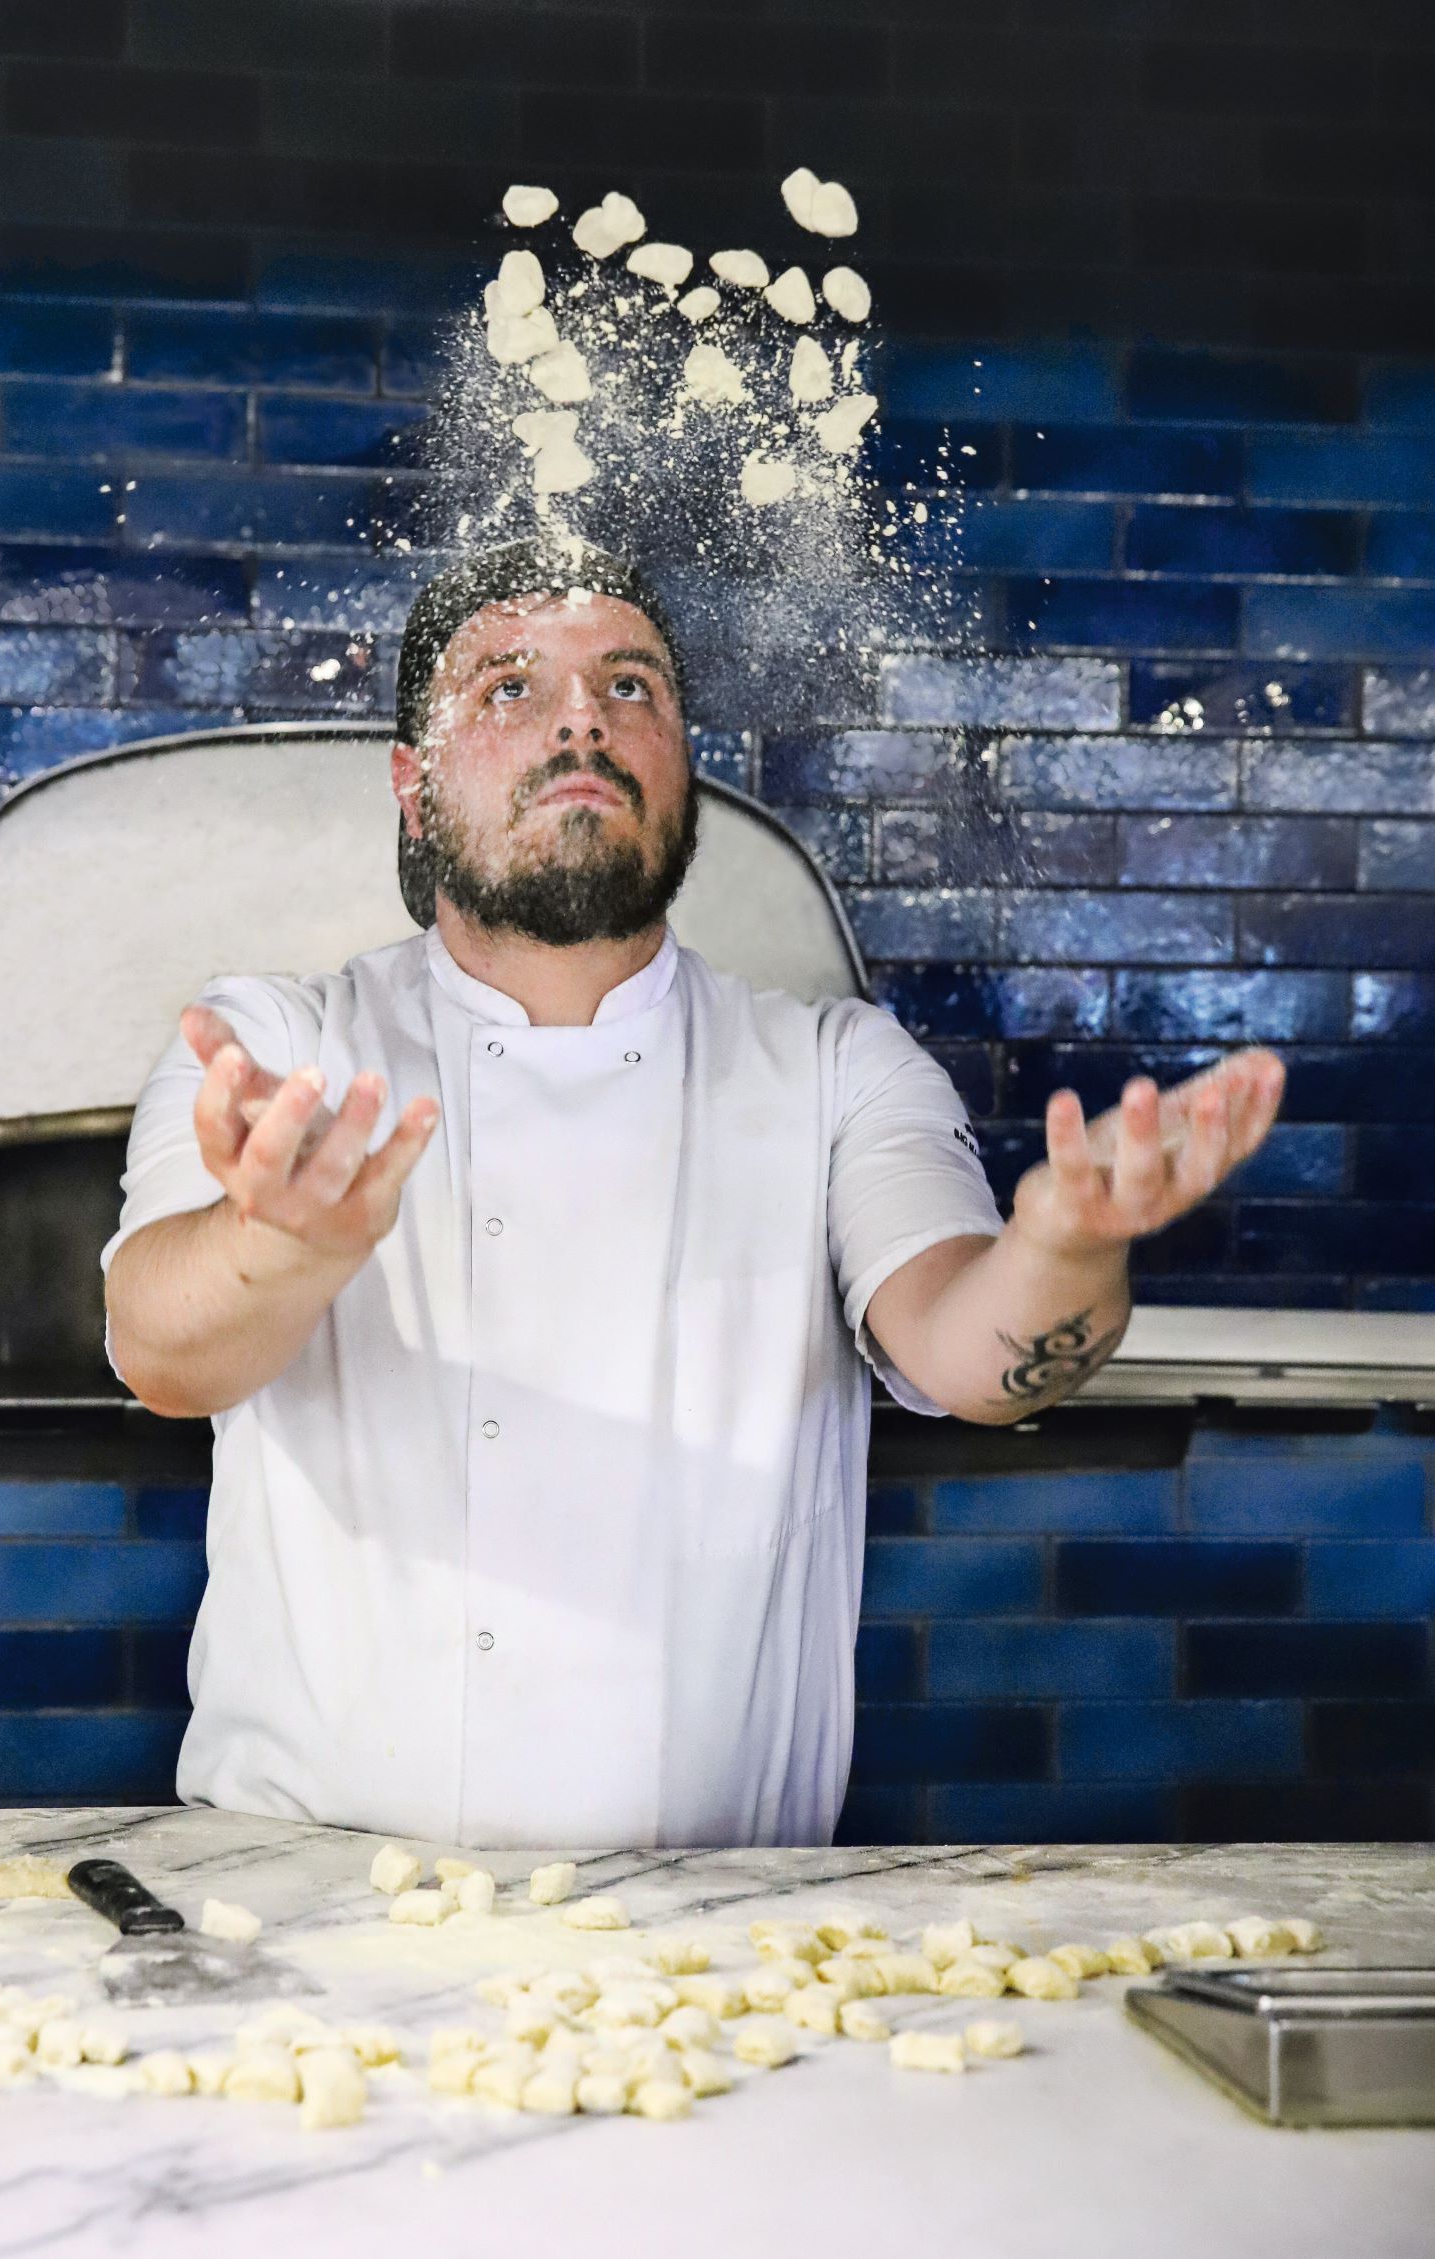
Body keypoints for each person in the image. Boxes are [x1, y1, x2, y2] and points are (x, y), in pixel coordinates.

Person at [102, 536, 1285, 1849]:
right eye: (507, 687)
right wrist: (281, 1245)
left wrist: (1067, 1250)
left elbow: (970, 1358)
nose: (579, 719)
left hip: (716, 1949)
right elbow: (159, 1351)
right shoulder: (275, 1039)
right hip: (307, 1918)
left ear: (681, 769)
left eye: (630, 688)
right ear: (413, 787)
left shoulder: (834, 1068)